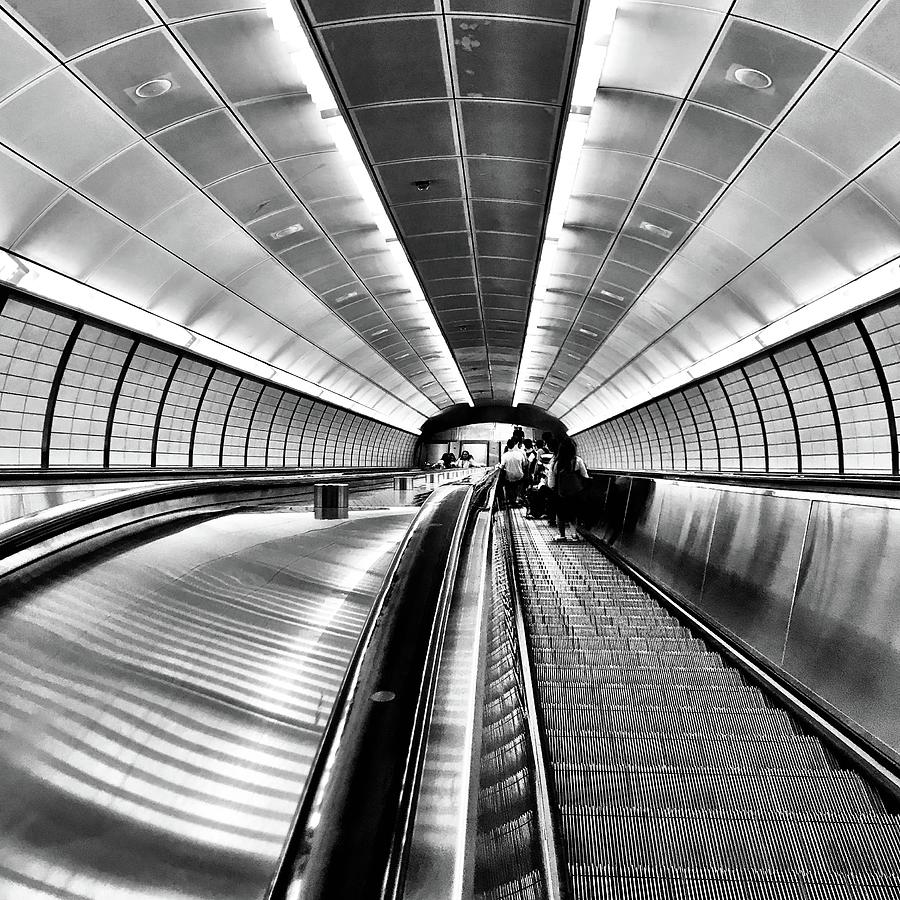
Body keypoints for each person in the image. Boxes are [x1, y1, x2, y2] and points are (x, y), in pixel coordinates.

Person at [547, 435, 588, 542]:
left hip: (561, 492)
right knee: (573, 513)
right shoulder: (577, 460)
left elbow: (551, 480)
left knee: (560, 514)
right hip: (575, 492)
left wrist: (552, 488)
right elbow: (585, 476)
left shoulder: (555, 462)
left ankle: (562, 535)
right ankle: (574, 534)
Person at [498, 438, 526, 506]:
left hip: (509, 476)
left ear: (507, 446)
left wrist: (499, 466)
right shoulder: (520, 454)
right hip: (519, 475)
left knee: (509, 487)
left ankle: (511, 500)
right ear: (514, 445)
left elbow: (501, 467)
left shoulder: (505, 455)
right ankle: (517, 499)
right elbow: (524, 465)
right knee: (517, 487)